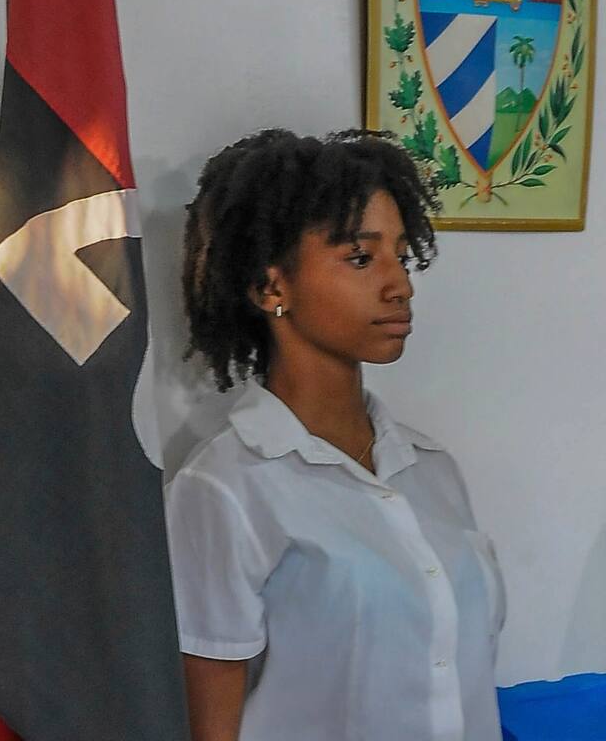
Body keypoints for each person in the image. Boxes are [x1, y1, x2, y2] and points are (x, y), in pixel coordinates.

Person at [166, 129, 505, 741]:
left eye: (400, 254)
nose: (398, 283)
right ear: (272, 287)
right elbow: (211, 726)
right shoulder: (225, 489)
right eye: (359, 257)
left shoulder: (431, 469)